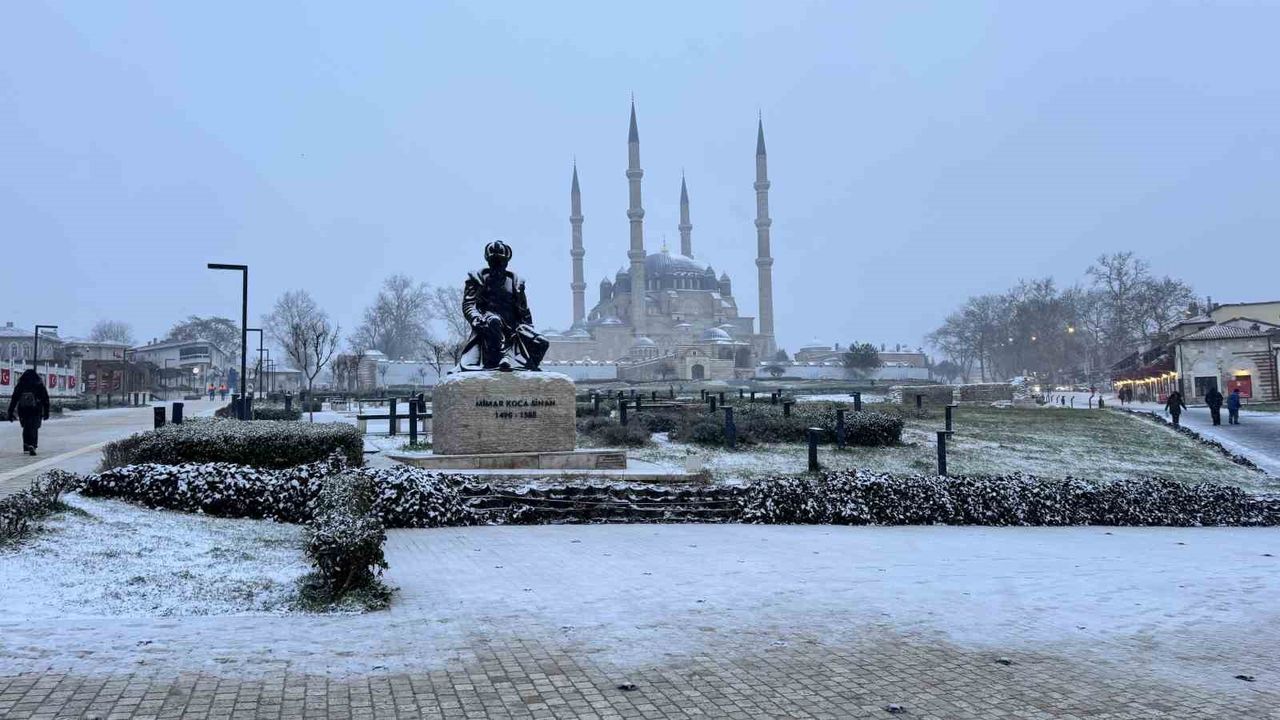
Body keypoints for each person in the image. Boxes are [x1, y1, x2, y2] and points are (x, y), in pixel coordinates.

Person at [7, 369, 51, 455]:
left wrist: (10, 412)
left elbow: (14, 399)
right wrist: (46, 412)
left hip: (23, 410)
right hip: (36, 410)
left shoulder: (20, 385)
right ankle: (33, 445)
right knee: (34, 428)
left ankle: (26, 445)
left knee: (26, 427)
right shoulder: (39, 385)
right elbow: (45, 399)